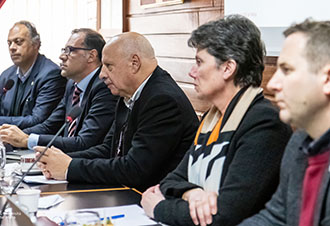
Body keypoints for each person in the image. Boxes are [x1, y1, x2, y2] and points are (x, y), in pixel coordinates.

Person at [141, 15, 292, 226]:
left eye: (200, 62)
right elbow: (171, 180)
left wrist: (158, 208)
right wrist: (192, 193)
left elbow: (224, 215)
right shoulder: (212, 118)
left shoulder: (264, 123)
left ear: (228, 68)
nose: (192, 72)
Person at [34, 32, 199, 191]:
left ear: (134, 63)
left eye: (108, 66)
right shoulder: (128, 92)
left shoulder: (162, 100)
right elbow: (108, 149)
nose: (101, 75)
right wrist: (61, 159)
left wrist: (69, 167)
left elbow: (135, 169)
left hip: (152, 200)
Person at [238, 20, 330, 226]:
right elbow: (276, 216)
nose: (272, 84)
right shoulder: (300, 141)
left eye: (286, 70)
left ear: (327, 79)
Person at [0, 28, 117, 153]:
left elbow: (84, 142)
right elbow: (50, 125)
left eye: (70, 51)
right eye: (63, 50)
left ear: (91, 56)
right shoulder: (72, 84)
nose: (62, 57)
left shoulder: (104, 87)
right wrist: (10, 137)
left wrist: (28, 140)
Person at [0, 21, 66, 129]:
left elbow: (38, 120)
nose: (12, 47)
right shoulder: (7, 75)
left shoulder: (51, 74)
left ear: (36, 44)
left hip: (34, 143)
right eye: (9, 43)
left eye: (18, 42)